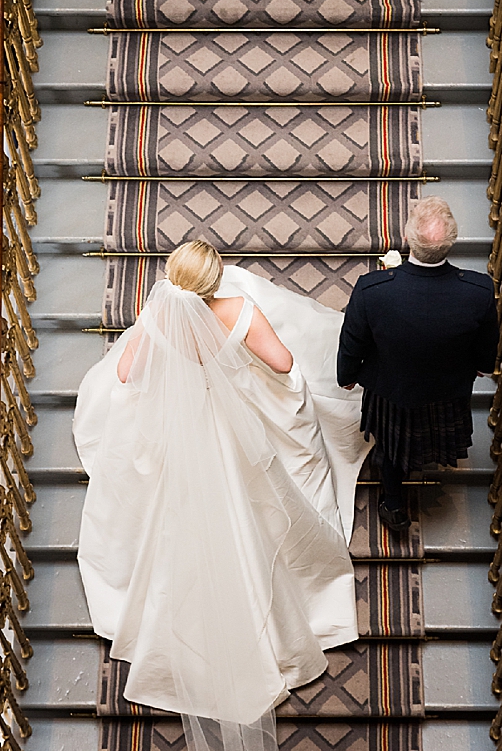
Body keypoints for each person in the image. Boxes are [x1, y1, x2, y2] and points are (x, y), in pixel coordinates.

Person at [73, 240, 372, 751]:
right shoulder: (240, 312)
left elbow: (125, 374)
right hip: (237, 429)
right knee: (259, 509)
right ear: (214, 284)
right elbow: (281, 364)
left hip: (182, 434)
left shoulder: (157, 317)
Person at [337, 197, 499, 532]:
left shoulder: (373, 289)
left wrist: (347, 375)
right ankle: (427, 459)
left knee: (392, 447)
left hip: (392, 391)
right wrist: (483, 364)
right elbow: (487, 346)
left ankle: (393, 504)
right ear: (451, 244)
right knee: (430, 435)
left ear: (408, 239)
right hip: (447, 390)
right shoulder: (479, 289)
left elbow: (354, 340)